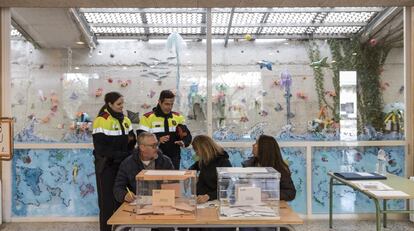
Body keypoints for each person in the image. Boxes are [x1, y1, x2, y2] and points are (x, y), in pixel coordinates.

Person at [92, 91, 136, 231]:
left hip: (123, 167)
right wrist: (121, 153)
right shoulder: (102, 120)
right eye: (118, 104)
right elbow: (101, 149)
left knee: (124, 202)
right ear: (109, 104)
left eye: (123, 103)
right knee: (107, 205)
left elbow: (132, 141)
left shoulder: (126, 120)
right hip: (107, 167)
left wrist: (127, 151)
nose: (122, 106)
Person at [241, 134, 296, 231]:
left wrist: (269, 194)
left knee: (264, 227)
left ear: (264, 149)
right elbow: (241, 187)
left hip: (271, 209)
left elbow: (290, 193)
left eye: (256, 143)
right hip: (250, 208)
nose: (253, 145)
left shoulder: (280, 169)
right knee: (246, 227)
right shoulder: (248, 165)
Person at [113, 132, 174, 203]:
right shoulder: (127, 164)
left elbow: (174, 183)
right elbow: (118, 187)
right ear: (142, 147)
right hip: (138, 205)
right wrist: (125, 195)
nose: (157, 148)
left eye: (157, 144)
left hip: (163, 202)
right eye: (153, 146)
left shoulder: (165, 161)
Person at [138, 90, 192, 170]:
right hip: (154, 157)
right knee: (155, 181)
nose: (169, 107)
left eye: (171, 104)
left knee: (173, 182)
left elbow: (187, 135)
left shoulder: (178, 117)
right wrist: (158, 140)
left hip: (174, 157)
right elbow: (140, 138)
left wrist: (183, 142)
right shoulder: (147, 118)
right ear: (159, 102)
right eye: (167, 104)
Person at [190, 135, 232, 203]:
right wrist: (192, 176)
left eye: (197, 150)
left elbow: (225, 187)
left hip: (214, 200)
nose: (196, 153)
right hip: (199, 198)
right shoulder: (204, 160)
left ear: (203, 149)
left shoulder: (223, 162)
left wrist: (208, 196)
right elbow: (191, 169)